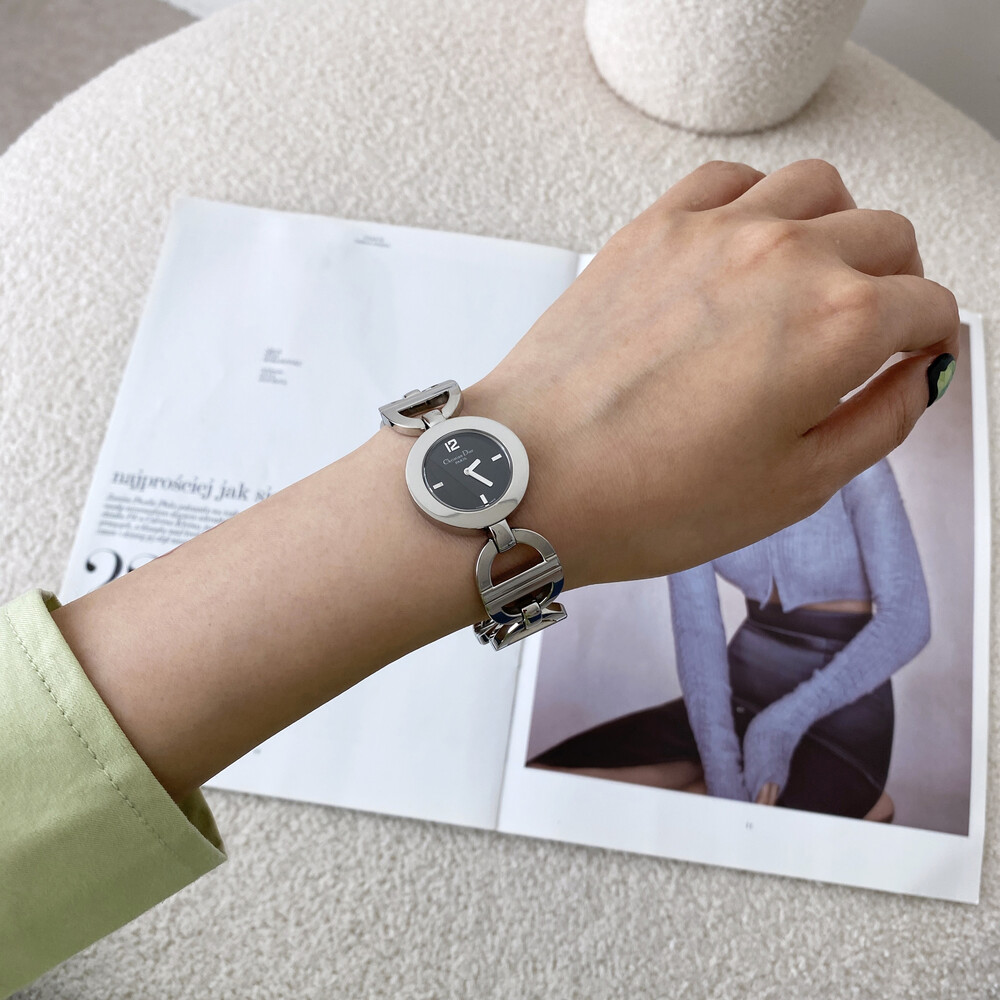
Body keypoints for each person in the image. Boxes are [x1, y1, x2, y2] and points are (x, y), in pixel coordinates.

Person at [0, 159, 960, 997]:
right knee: (614, 771)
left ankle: (846, 792)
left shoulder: (852, 474)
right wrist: (535, 449)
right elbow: (700, 645)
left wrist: (779, 727)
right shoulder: (720, 486)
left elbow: (906, 620)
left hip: (835, 704)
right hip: (733, 687)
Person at [527, 454, 931, 822]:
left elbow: (908, 621)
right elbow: (698, 633)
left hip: (842, 716)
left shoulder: (858, 459)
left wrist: (778, 726)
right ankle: (711, 772)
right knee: (544, 779)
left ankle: (862, 802)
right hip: (737, 697)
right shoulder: (693, 483)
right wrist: (720, 766)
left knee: (698, 818)